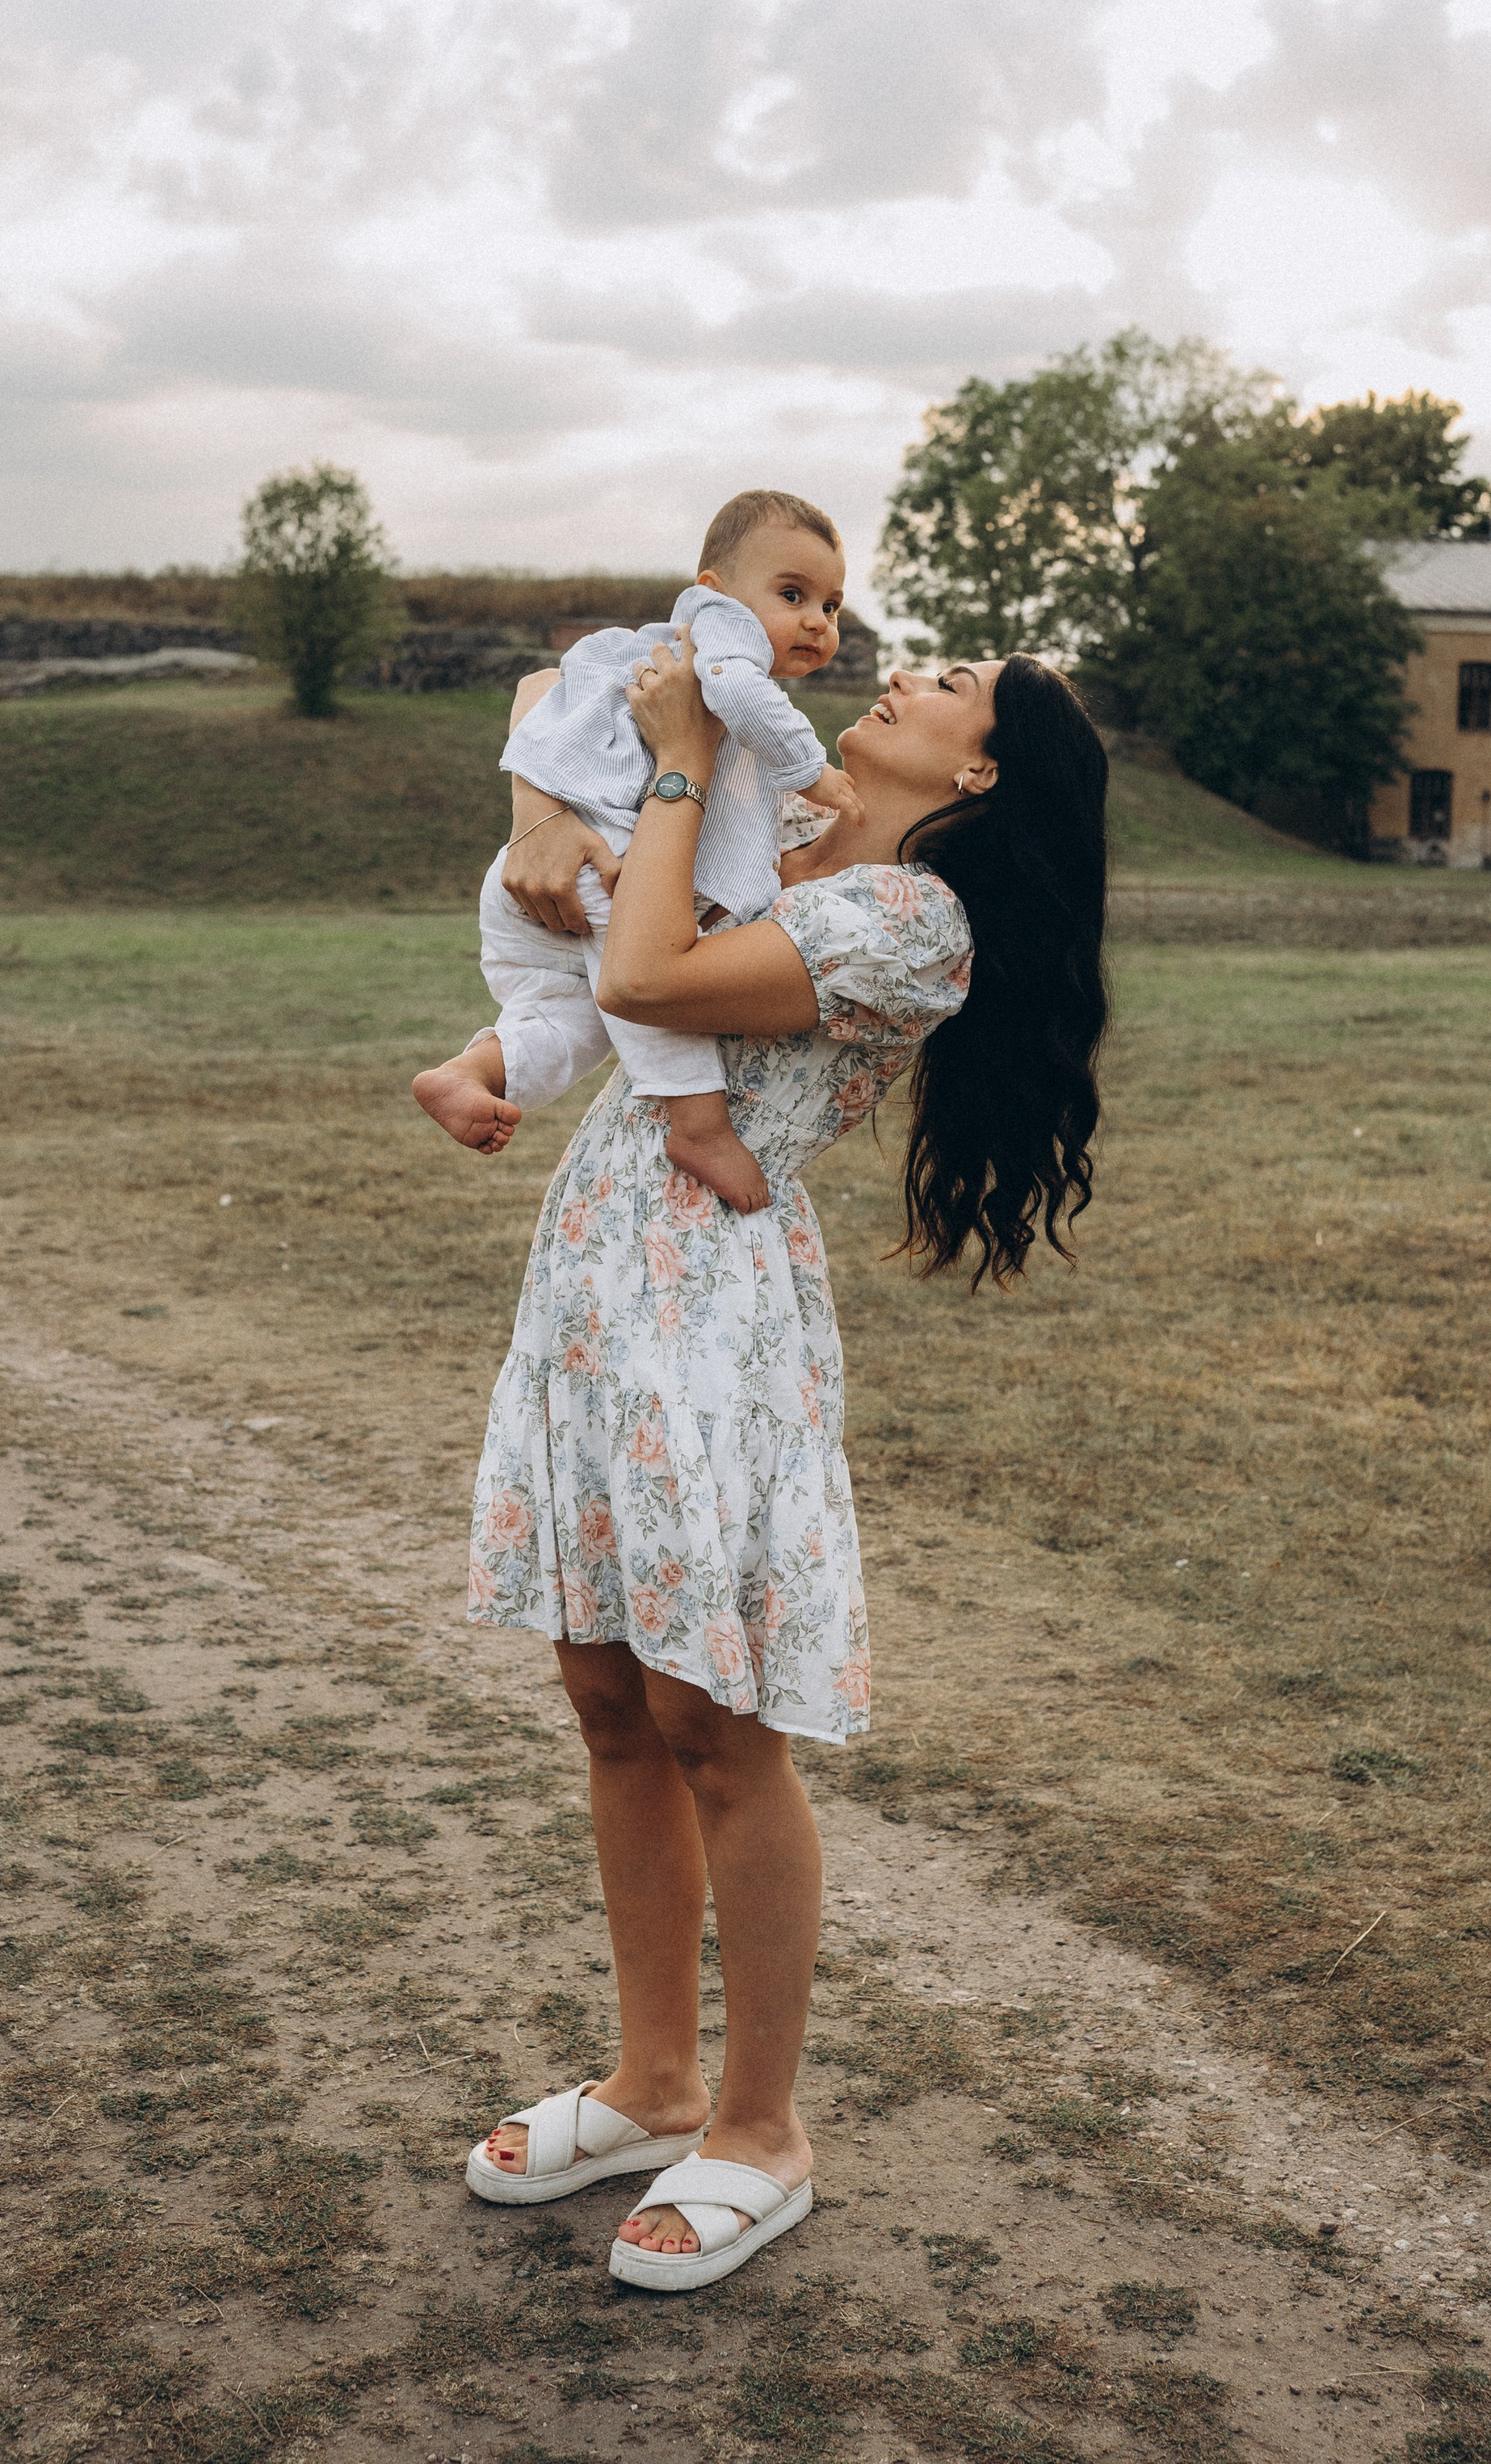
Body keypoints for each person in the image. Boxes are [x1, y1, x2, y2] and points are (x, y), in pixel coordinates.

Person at [447, 636, 1109, 2291]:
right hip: (597, 1271)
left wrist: (673, 766)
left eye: (956, 682)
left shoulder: (910, 925)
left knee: (712, 1722)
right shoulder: (783, 831)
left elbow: (650, 982)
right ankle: (652, 2079)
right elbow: (564, 710)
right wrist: (572, 786)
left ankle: (757, 2128)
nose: (907, 669)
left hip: (712, 1310)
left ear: (980, 777)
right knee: (603, 1690)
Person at [411, 489, 862, 1214]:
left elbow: (541, 687)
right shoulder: (722, 645)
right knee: (655, 991)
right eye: (792, 593)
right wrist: (811, 771)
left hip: (549, 879)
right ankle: (700, 1126)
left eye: (832, 606)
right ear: (714, 592)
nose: (817, 620)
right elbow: (742, 698)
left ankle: (476, 1070)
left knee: (576, 1019)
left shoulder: (705, 668)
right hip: (598, 865)